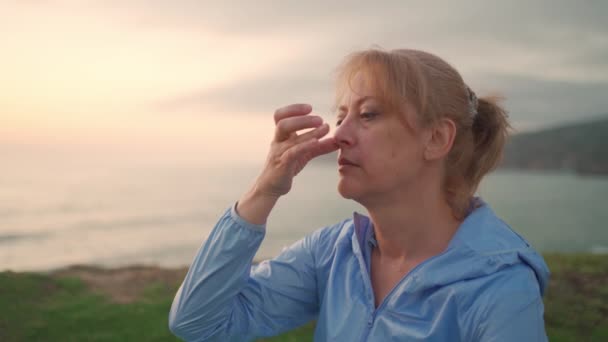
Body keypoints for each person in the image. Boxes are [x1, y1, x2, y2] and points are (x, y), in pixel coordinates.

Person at [168, 48, 550, 341]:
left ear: (436, 139)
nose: (339, 136)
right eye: (340, 117)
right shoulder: (334, 253)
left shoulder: (498, 284)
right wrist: (263, 190)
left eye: (368, 115)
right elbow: (198, 324)